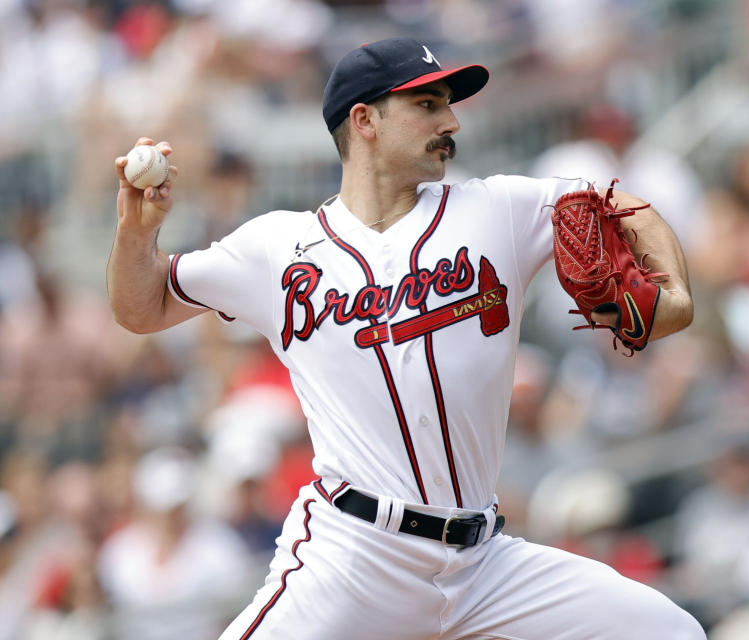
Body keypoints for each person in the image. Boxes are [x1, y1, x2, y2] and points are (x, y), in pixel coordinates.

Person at [106, 37, 701, 640]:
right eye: (427, 103)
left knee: (670, 631)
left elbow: (612, 202)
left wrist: (673, 291)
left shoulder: (495, 209)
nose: (451, 120)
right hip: (355, 557)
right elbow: (142, 307)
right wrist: (136, 234)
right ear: (363, 119)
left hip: (484, 564)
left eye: (447, 103)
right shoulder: (275, 248)